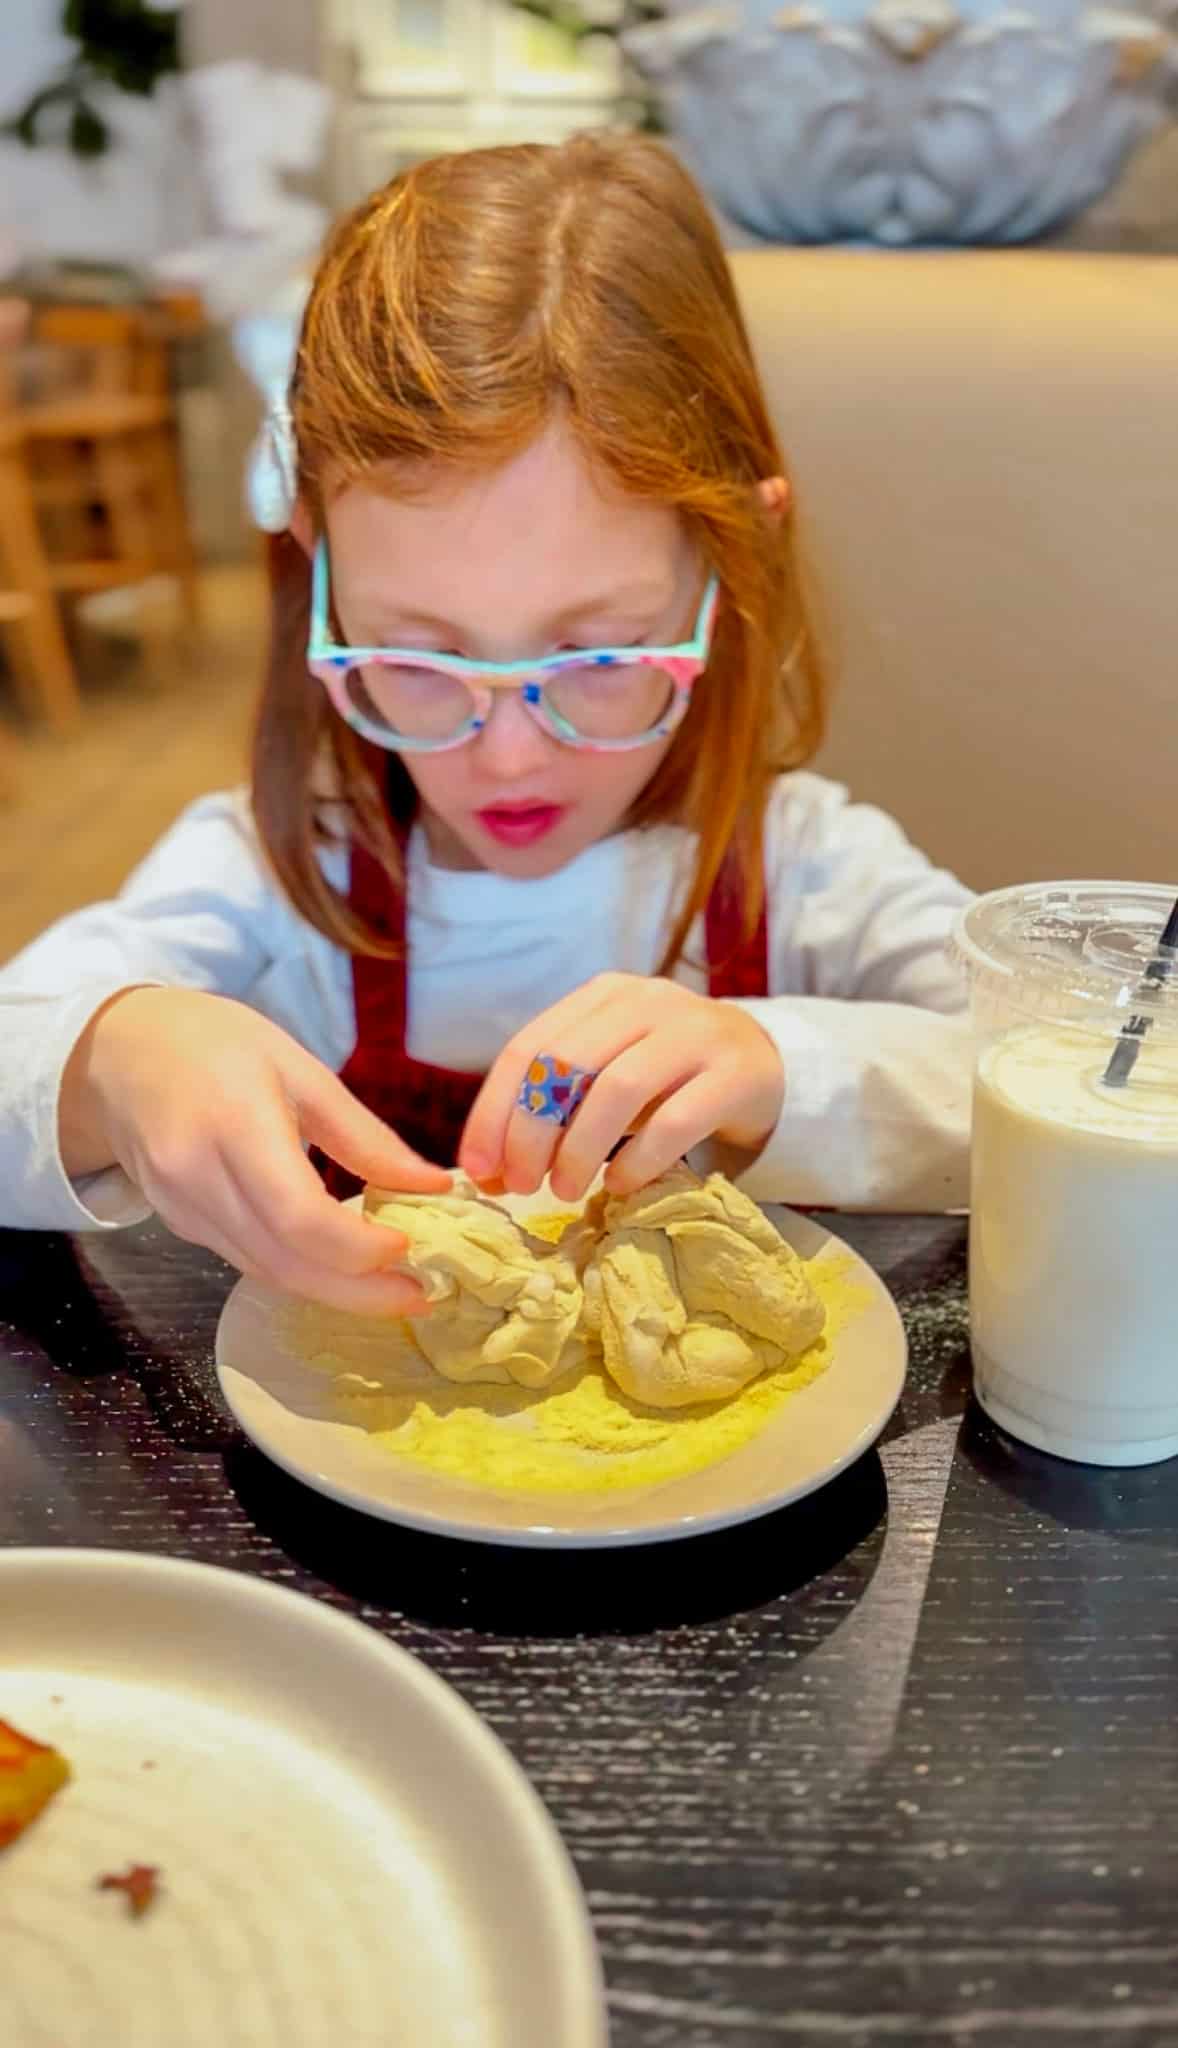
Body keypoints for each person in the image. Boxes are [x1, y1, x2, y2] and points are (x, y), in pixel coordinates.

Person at [0, 135, 972, 1320]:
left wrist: (783, 1067)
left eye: (600, 658)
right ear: (318, 567)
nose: (508, 753)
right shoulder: (275, 876)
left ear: (736, 557)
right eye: (417, 659)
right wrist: (112, 1063)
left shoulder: (810, 873)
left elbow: (1078, 1077)